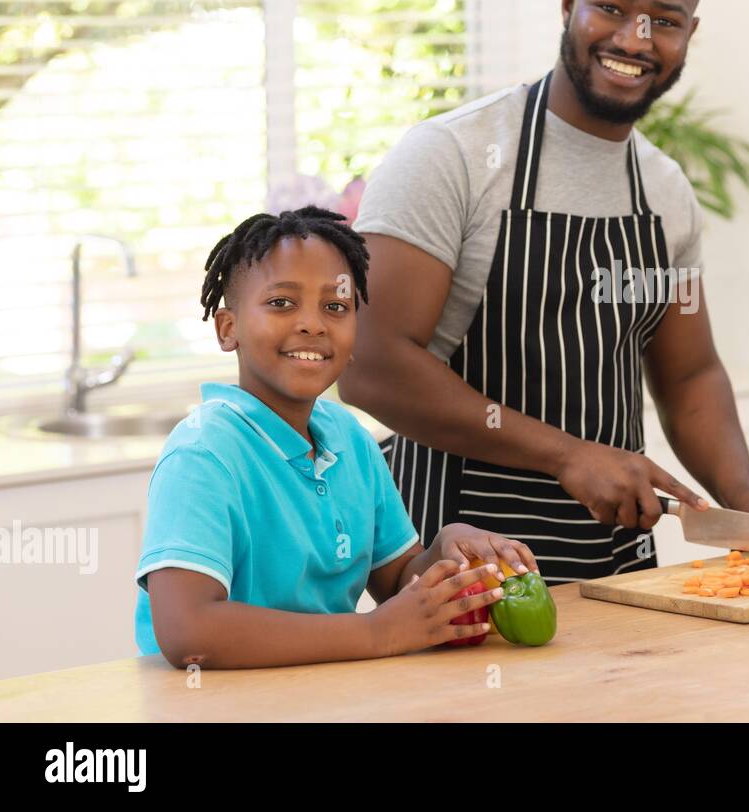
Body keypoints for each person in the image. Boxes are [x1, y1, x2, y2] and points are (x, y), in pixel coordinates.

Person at [341, 0, 749, 584]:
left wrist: (746, 497)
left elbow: (689, 375)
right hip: (461, 565)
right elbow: (370, 363)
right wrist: (568, 456)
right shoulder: (453, 157)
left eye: (665, 21)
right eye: (611, 9)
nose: (634, 39)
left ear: (688, 36)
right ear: (569, 3)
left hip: (617, 572)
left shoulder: (666, 192)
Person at [133, 206, 539, 668]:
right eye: (282, 302)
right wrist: (375, 632)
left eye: (336, 306)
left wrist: (446, 548)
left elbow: (396, 582)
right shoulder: (204, 452)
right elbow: (189, 633)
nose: (313, 323)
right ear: (229, 329)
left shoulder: (350, 439)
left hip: (326, 696)